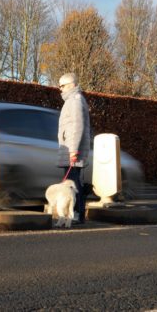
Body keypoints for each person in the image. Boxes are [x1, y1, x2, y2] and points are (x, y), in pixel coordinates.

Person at [57, 73, 91, 224]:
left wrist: (73, 150)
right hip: (71, 148)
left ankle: (76, 213)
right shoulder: (73, 100)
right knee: (74, 182)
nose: (60, 89)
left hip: (72, 150)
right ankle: (78, 213)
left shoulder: (75, 101)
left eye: (62, 86)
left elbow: (78, 126)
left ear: (71, 85)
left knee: (73, 184)